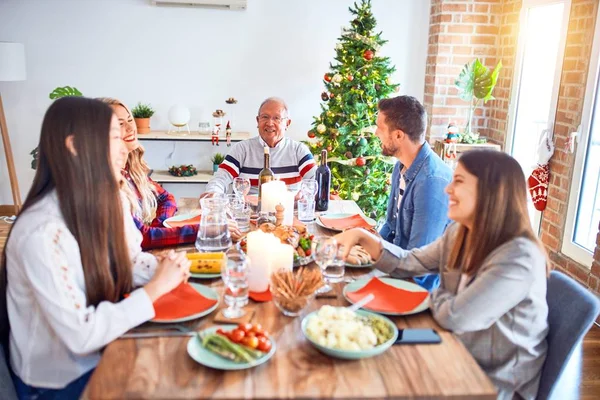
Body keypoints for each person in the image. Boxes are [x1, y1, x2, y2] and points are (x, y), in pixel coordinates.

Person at [0, 97, 191, 399]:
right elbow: (81, 335)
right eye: (115, 137)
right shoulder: (41, 233)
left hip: (103, 347)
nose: (126, 148)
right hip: (60, 380)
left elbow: (128, 259)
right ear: (75, 146)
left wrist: (168, 268)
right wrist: (156, 288)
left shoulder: (108, 198)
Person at [335, 150, 549, 400]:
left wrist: (434, 294)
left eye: (458, 181)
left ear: (490, 192)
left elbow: (456, 317)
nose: (448, 190)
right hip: (455, 347)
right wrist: (363, 237)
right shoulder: (460, 231)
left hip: (491, 382)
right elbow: (411, 262)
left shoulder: (518, 258)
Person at [98, 98, 240, 249]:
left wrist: (160, 225)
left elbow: (166, 198)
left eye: (129, 120)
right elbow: (141, 237)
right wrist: (204, 229)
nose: (130, 127)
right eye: (119, 124)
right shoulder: (106, 182)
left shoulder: (131, 170)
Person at [375, 95, 452, 291]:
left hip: (422, 289)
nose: (376, 133)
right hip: (400, 270)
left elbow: (421, 263)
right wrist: (369, 246)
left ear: (398, 135)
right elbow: (391, 227)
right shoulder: (401, 166)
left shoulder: (432, 181)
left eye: (380, 128)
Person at [203, 97, 317, 196]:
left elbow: (315, 182)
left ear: (287, 123)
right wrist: (214, 194)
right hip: (249, 214)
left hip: (287, 214)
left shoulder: (298, 150)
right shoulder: (242, 149)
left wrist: (303, 195)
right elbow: (219, 179)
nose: (270, 123)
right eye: (265, 117)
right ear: (257, 121)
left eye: (276, 118)